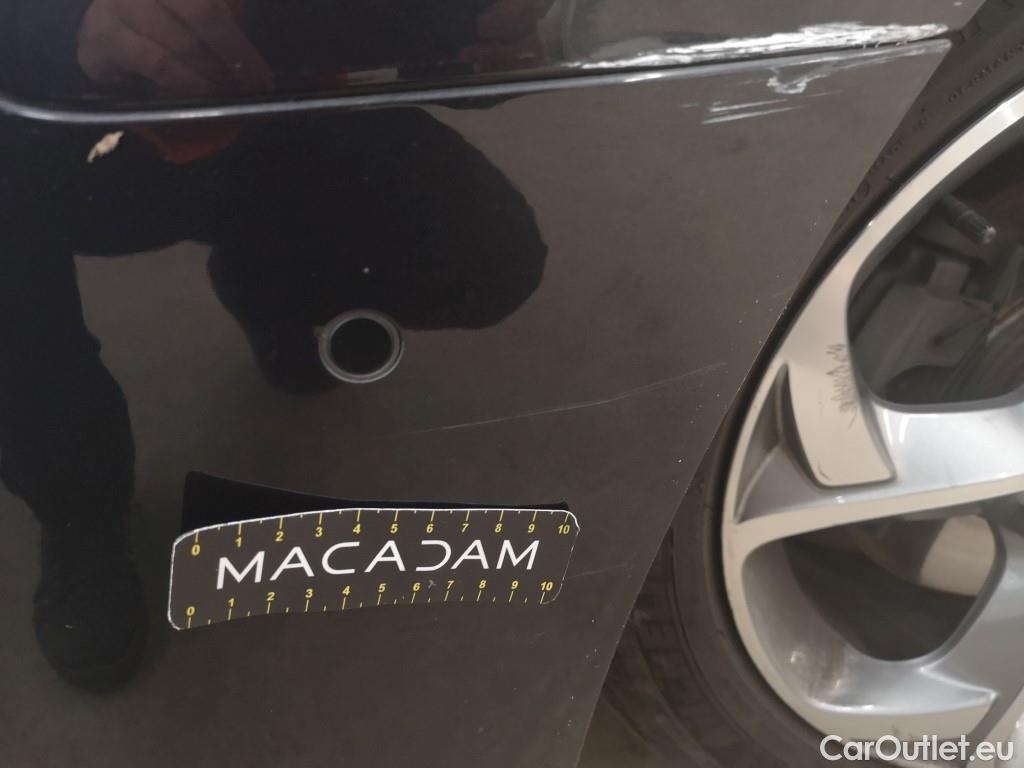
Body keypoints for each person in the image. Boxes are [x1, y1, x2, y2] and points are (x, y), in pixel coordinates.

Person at [0, 0, 549, 690]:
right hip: (45, 137)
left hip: (278, 96)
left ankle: (268, 279)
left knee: (486, 258)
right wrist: (61, 29)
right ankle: (78, 506)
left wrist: (480, 38)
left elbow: (425, 42)